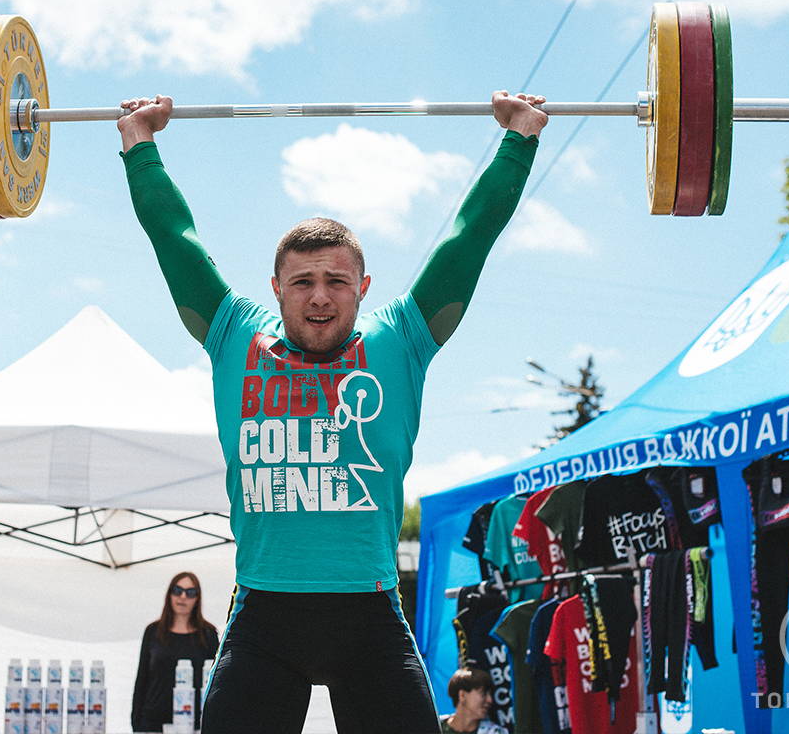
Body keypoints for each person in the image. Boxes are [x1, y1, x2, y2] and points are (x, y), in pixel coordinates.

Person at [118, 90, 547, 734]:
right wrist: (140, 147)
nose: (320, 298)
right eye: (303, 282)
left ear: (362, 288)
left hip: (368, 617)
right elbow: (175, 240)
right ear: (277, 288)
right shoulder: (235, 335)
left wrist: (518, 140)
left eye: (337, 282)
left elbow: (470, 237)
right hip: (264, 615)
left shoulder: (400, 340)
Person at [131, 572, 220, 733]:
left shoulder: (208, 634)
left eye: (190, 592)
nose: (183, 597)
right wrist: (136, 723)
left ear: (197, 598)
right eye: (177, 590)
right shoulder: (153, 631)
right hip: (153, 722)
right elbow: (142, 678)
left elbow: (216, 683)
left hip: (194, 723)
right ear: (170, 594)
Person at [440, 667, 508, 734]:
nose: (490, 700)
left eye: (490, 694)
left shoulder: (495, 732)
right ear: (462, 695)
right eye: (483, 693)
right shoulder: (435, 725)